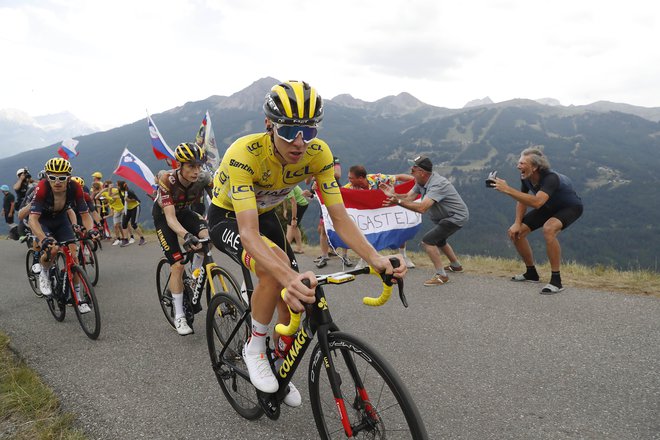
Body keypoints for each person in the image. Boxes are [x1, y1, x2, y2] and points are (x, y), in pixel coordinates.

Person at [207, 80, 406, 407]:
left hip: (268, 214)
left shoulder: (319, 154)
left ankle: (276, 363)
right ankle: (255, 347)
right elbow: (248, 234)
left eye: (309, 131)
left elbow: (339, 217)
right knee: (276, 273)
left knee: (295, 300)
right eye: (288, 131)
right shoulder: (244, 154)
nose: (299, 142)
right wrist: (284, 275)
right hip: (229, 217)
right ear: (269, 126)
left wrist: (375, 258)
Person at [490, 147, 583, 294]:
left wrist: (507, 189)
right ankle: (531, 273)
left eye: (522, 163)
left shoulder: (551, 178)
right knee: (517, 232)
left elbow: (537, 202)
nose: (518, 166)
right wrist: (517, 222)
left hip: (570, 207)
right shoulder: (526, 178)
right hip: (548, 206)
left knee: (549, 229)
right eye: (518, 162)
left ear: (534, 167)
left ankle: (556, 281)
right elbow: (522, 200)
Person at [153, 142, 213, 335]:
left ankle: (195, 274)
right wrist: (186, 236)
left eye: (199, 166)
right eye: (191, 166)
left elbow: (218, 202)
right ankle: (179, 316)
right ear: (180, 165)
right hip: (164, 217)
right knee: (177, 265)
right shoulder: (167, 180)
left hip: (185, 212)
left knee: (207, 239)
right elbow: (170, 218)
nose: (197, 171)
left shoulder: (204, 178)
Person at [380, 155, 468, 287]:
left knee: (428, 241)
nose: (410, 171)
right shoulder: (420, 182)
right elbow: (409, 198)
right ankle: (456, 266)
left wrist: (397, 201)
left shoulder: (438, 184)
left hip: (455, 217)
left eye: (413, 168)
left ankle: (441, 275)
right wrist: (393, 195)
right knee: (439, 240)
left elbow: (422, 208)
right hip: (446, 217)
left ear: (421, 172)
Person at [28, 158, 97, 310]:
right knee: (52, 249)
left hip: (61, 219)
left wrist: (90, 229)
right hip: (43, 220)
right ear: (47, 177)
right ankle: (44, 273)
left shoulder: (75, 187)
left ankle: (78, 298)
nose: (57, 182)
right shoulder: (42, 187)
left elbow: (85, 214)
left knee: (74, 258)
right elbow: (33, 219)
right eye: (52, 177)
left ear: (69, 177)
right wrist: (43, 238)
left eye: (62, 178)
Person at [343, 165, 416, 268]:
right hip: (369, 212)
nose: (349, 180)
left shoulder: (377, 178)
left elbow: (399, 177)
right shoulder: (350, 187)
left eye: (351, 178)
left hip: (387, 207)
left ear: (360, 178)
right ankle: (364, 259)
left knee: (400, 228)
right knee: (365, 232)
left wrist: (418, 182)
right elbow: (338, 192)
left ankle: (403, 256)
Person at [117, 181, 146, 246]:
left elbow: (138, 200)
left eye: (118, 185)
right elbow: (122, 200)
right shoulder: (120, 191)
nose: (117, 187)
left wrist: (129, 200)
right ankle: (126, 240)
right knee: (124, 224)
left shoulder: (129, 191)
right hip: (127, 209)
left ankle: (142, 238)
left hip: (135, 207)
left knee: (133, 224)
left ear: (122, 186)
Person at [282, 185, 309, 254]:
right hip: (300, 203)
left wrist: (294, 219)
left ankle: (285, 249)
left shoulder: (288, 186)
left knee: (290, 225)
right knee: (294, 226)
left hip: (301, 204)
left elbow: (294, 202)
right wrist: (285, 209)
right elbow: (283, 197)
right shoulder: (282, 186)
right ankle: (299, 248)